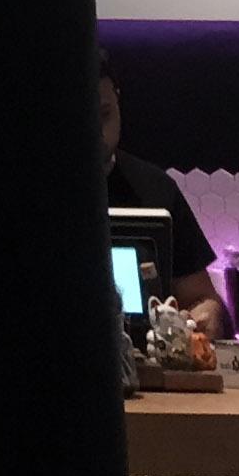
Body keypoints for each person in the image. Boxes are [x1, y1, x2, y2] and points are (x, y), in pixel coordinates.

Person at [99, 51, 224, 335]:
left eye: (104, 114)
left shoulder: (154, 189)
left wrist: (207, 316)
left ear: (117, 100)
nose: (97, 133)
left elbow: (201, 300)